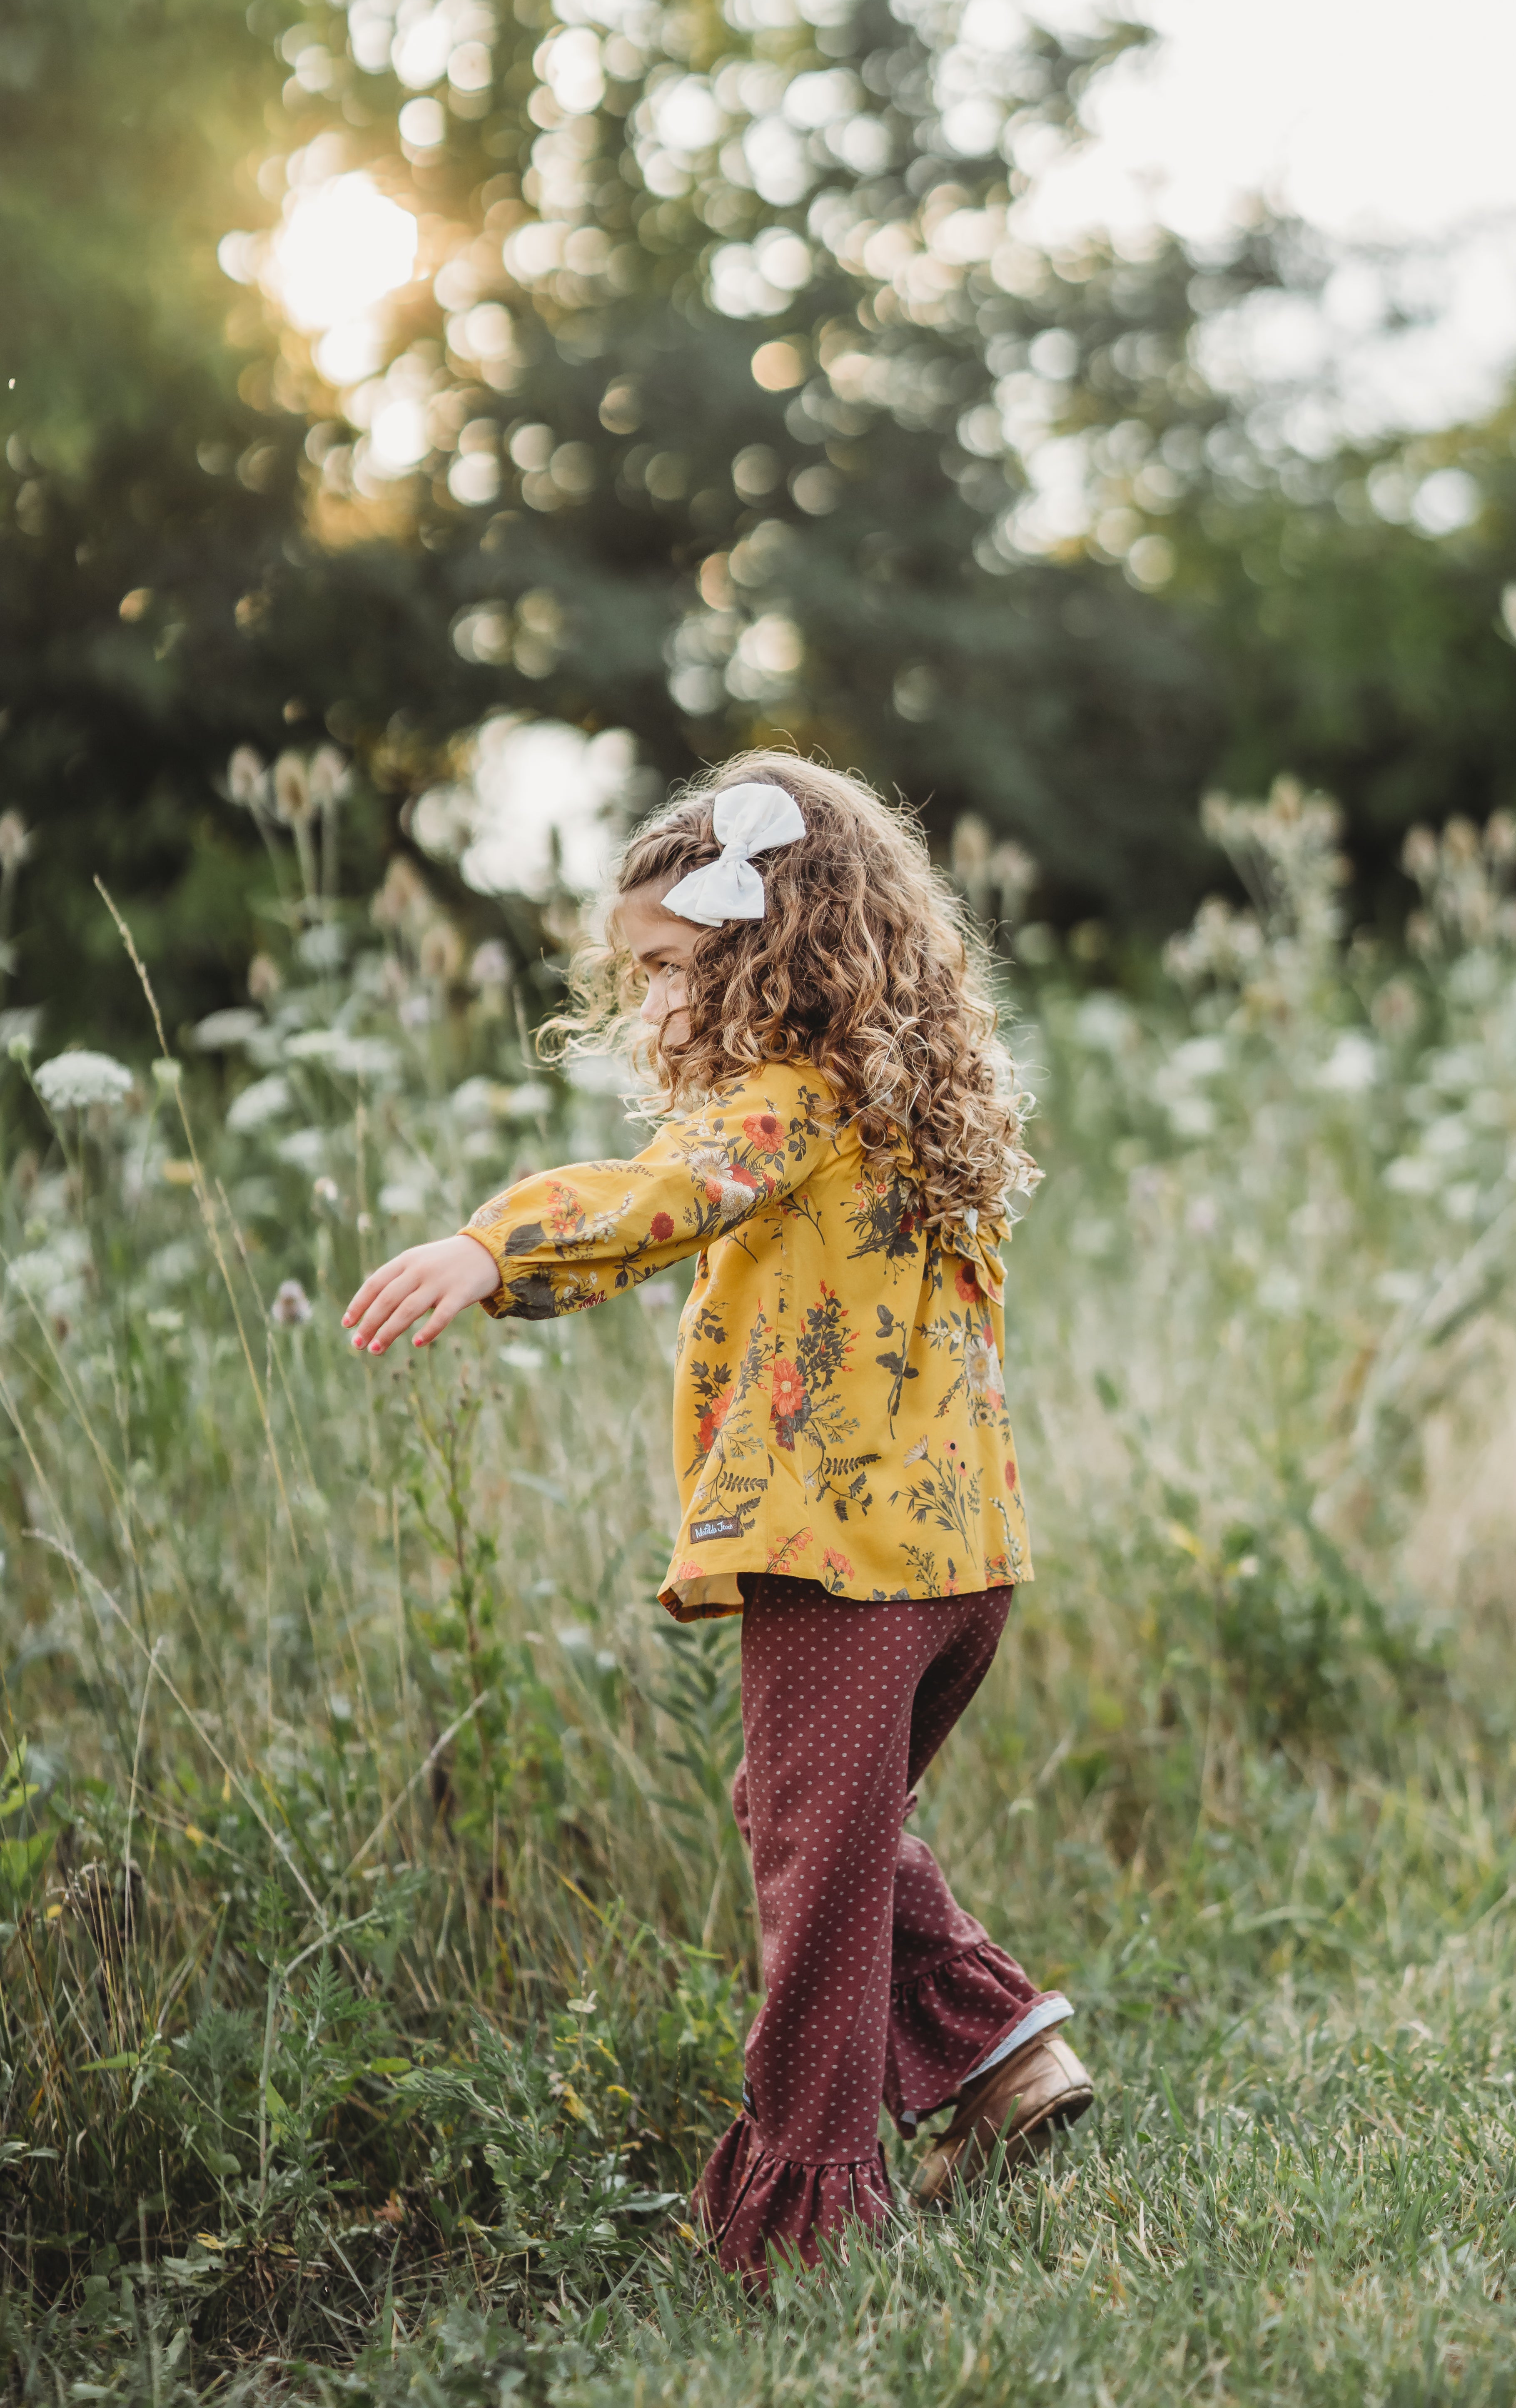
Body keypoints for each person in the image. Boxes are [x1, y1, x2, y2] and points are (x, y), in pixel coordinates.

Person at [342, 756, 1092, 2283]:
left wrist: (496, 1249)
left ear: (775, 953)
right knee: (808, 1818)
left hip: (838, 1562)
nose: (655, 1007)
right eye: (639, 975)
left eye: (673, 968)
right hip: (961, 1562)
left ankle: (810, 2218)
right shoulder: (905, 1106)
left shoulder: (787, 1108)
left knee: (812, 1892)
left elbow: (662, 1193)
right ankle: (1005, 2054)